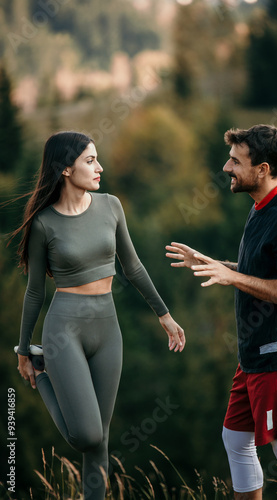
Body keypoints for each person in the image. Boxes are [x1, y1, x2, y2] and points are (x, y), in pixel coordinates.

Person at [13, 131, 185, 500]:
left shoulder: (111, 206)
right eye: (90, 160)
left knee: (100, 441)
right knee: (87, 435)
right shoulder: (44, 223)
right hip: (64, 329)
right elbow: (35, 292)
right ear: (64, 169)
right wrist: (25, 351)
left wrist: (164, 315)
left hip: (108, 326)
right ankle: (44, 375)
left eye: (97, 159)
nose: (99, 167)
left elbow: (133, 267)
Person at [166, 124, 277, 500]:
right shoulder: (263, 207)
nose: (226, 167)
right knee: (235, 438)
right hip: (258, 351)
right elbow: (262, 270)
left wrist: (231, 277)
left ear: (263, 169)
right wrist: (213, 264)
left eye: (236, 161)